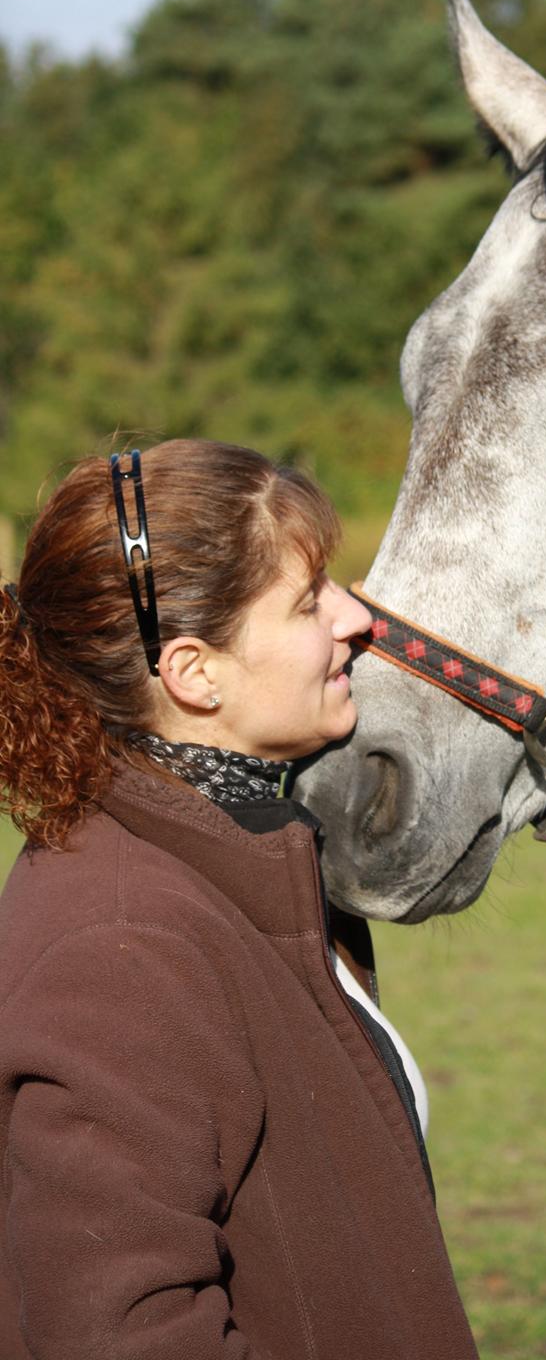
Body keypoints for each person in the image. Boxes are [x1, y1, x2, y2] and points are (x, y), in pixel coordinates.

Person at [0, 439, 479, 1359]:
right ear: (194, 674)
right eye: (308, 601)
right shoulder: (124, 943)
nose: (356, 618)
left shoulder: (223, 856)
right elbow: (120, 1332)